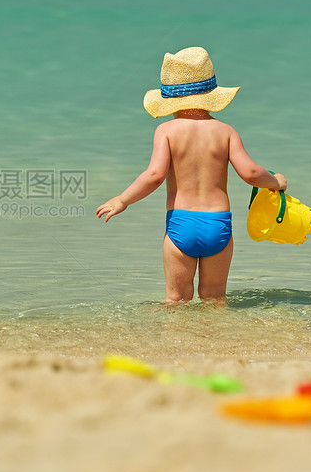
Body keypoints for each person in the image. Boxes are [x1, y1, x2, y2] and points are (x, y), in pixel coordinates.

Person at [96, 47, 287, 303]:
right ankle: (215, 342)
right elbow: (251, 173)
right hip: (218, 225)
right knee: (214, 299)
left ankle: (173, 342)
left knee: (176, 300)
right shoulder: (226, 132)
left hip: (180, 225)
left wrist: (123, 199)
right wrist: (276, 182)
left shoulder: (166, 131)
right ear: (211, 95)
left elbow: (154, 175)